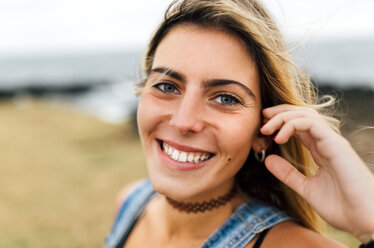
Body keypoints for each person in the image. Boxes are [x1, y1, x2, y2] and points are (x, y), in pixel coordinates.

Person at [106, 0, 374, 247]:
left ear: (265, 132)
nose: (183, 121)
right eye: (166, 85)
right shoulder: (131, 203)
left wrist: (368, 224)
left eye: (225, 98)